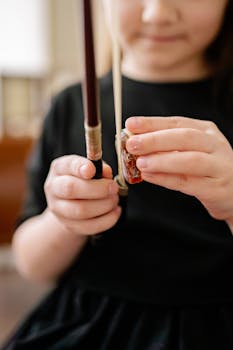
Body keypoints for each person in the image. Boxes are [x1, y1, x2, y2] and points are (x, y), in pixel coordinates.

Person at [2, 0, 233, 349]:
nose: (158, 13)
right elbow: (32, 265)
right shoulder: (70, 105)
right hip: (87, 322)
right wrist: (65, 220)